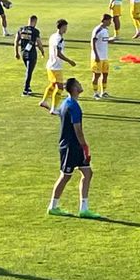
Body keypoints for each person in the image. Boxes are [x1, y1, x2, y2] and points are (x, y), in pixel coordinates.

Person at [48, 78, 101, 218]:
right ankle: (53, 206)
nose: (81, 84)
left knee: (88, 173)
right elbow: (77, 129)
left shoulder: (66, 103)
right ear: (74, 88)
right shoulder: (74, 106)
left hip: (73, 145)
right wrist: (84, 146)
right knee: (65, 176)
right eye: (78, 83)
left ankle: (84, 209)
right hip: (71, 146)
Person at [39, 18, 75, 113]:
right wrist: (69, 61)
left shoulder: (53, 36)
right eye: (66, 27)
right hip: (56, 66)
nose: (66, 29)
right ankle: (54, 109)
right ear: (62, 27)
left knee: (52, 85)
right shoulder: (59, 39)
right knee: (59, 87)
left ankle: (44, 101)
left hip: (50, 65)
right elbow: (58, 54)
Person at [14, 15, 44, 97]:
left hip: (23, 52)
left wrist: (16, 53)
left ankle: (28, 87)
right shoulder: (35, 31)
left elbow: (16, 42)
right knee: (29, 71)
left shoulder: (21, 29)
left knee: (29, 70)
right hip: (32, 53)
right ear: (35, 22)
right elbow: (39, 43)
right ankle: (25, 89)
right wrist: (42, 51)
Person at [89, 13, 113, 100]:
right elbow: (93, 42)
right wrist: (96, 55)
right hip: (98, 57)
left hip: (105, 56)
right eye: (110, 20)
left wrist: (111, 40)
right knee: (96, 75)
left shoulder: (106, 30)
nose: (111, 22)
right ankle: (95, 93)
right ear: (105, 20)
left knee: (105, 74)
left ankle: (103, 92)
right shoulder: (97, 30)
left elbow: (104, 41)